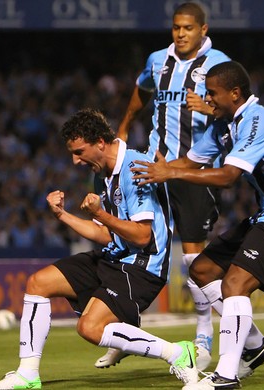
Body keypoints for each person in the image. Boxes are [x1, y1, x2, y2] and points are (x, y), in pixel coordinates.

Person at [131, 61, 264, 389]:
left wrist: (170, 173)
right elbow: (189, 162)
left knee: (235, 285)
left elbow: (228, 177)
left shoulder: (259, 119)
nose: (208, 100)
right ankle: (256, 346)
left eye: (213, 93)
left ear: (235, 93)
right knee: (202, 271)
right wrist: (148, 167)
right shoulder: (223, 125)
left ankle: (225, 377)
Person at [0, 108, 199, 390]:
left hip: (143, 266)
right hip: (113, 257)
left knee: (89, 328)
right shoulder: (101, 175)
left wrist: (104, 214)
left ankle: (179, 354)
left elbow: (144, 236)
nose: (75, 160)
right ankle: (27, 374)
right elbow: (104, 234)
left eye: (79, 151)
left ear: (100, 143)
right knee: (39, 282)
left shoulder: (136, 168)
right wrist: (63, 215)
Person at [96, 2, 231, 371]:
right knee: (133, 248)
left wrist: (210, 109)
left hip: (191, 171)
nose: (181, 33)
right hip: (154, 167)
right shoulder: (158, 60)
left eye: (188, 28)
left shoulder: (218, 63)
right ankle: (126, 332)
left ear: (203, 29)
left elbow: (236, 108)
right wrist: (125, 123)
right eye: (176, 27)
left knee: (191, 258)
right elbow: (141, 89)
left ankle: (204, 334)